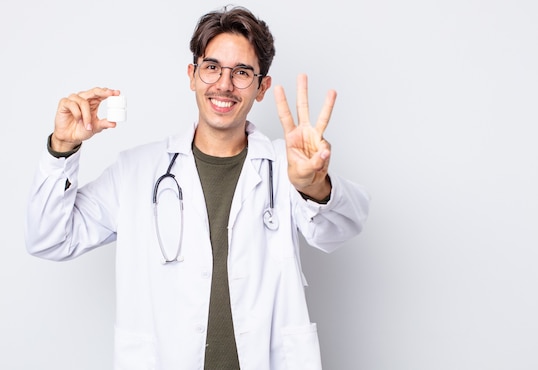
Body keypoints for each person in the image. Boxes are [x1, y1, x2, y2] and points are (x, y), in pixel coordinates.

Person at [25, 5, 370, 370]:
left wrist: (313, 185)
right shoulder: (136, 172)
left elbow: (342, 228)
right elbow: (49, 238)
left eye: (241, 72)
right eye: (212, 67)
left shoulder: (286, 168)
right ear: (192, 75)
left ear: (262, 87)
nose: (224, 84)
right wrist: (62, 149)